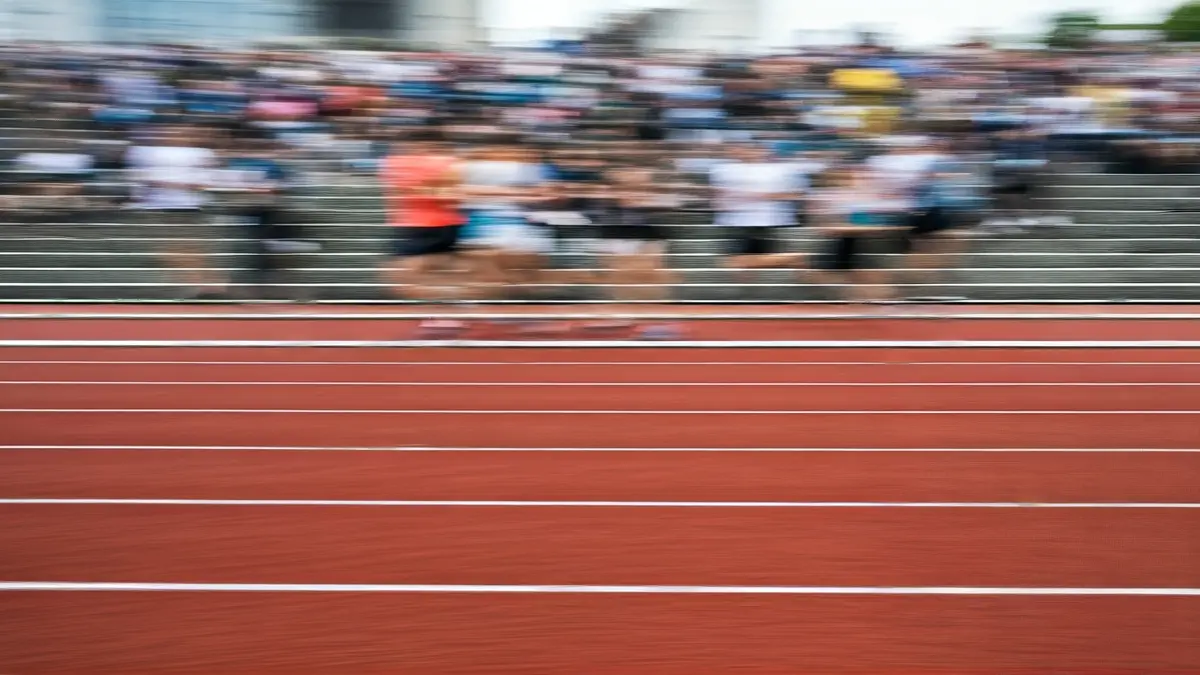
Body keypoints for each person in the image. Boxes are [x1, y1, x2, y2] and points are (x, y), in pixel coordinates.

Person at [379, 127, 471, 335]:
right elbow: (453, 194)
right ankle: (445, 312)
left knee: (405, 276)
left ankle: (447, 312)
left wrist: (432, 191)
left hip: (424, 225)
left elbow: (450, 194)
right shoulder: (452, 162)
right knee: (433, 274)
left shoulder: (397, 162)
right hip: (438, 223)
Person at [126, 125, 225, 300]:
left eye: (181, 133)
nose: (175, 136)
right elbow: (140, 178)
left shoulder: (200, 154)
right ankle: (203, 284)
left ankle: (210, 284)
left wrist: (166, 183)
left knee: (189, 249)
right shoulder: (149, 152)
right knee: (168, 250)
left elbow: (204, 183)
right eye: (170, 132)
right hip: (157, 208)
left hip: (188, 207)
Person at [220, 135, 318, 302]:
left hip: (270, 221)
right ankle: (248, 292)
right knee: (250, 257)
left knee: (269, 258)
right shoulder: (238, 165)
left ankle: (277, 292)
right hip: (248, 220)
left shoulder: (275, 169)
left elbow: (284, 187)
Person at [708, 143, 807, 289]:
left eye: (750, 149)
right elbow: (718, 195)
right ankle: (747, 295)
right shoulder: (723, 169)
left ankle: (794, 259)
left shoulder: (779, 170)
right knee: (737, 266)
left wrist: (759, 196)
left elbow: (796, 193)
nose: (741, 152)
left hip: (764, 222)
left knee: (735, 262)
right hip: (733, 222)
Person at [808, 165, 903, 309]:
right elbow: (827, 226)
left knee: (869, 276)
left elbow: (866, 221)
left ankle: (879, 301)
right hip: (844, 242)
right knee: (824, 273)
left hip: (858, 242)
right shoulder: (829, 196)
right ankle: (862, 301)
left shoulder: (860, 197)